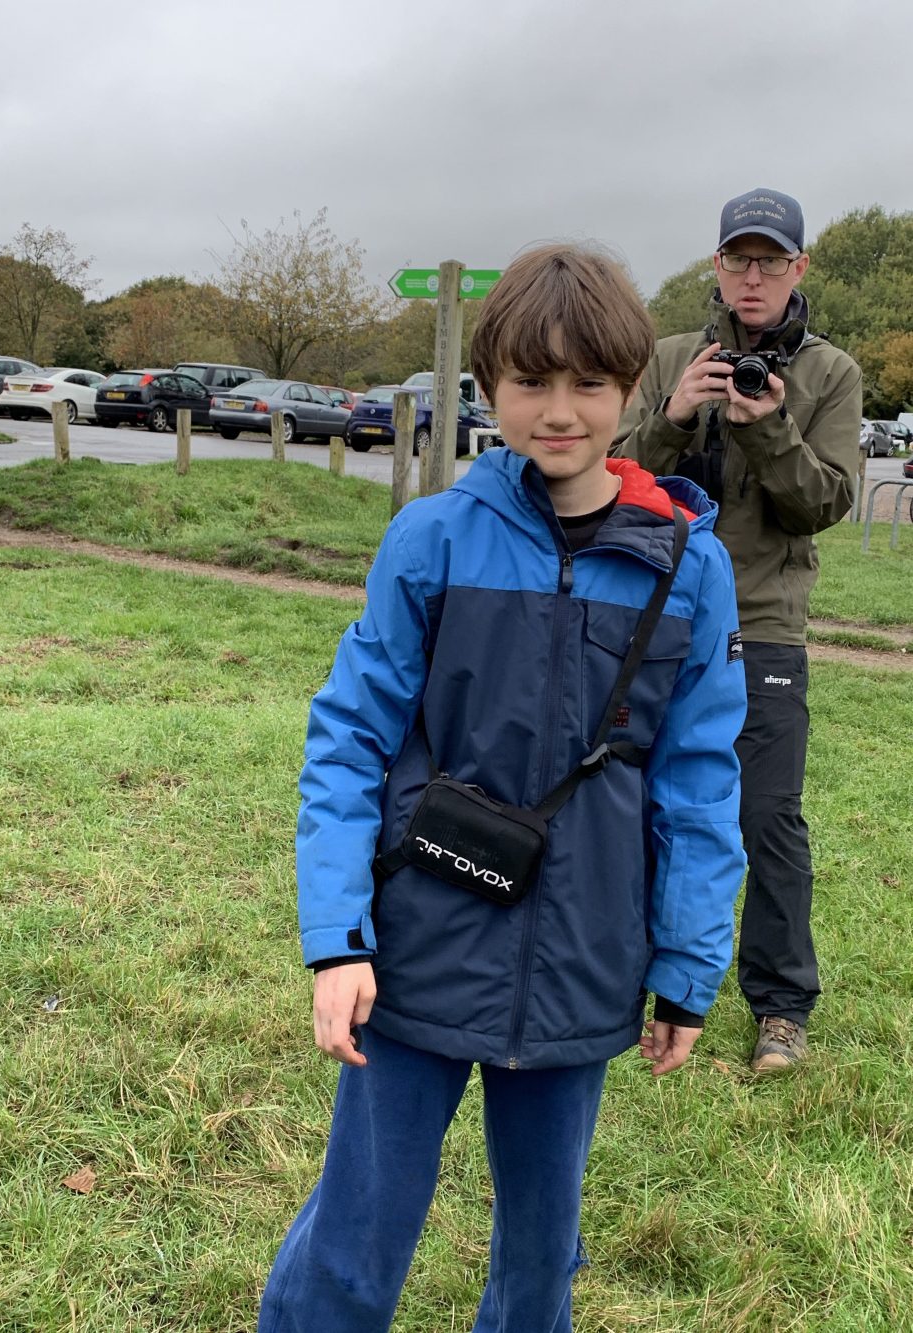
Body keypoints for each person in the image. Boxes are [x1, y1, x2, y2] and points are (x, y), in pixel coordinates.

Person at [257, 244, 747, 1332]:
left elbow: (701, 782)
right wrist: (336, 938)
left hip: (584, 962)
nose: (560, 409)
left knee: (538, 1265)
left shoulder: (689, 568)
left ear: (630, 388)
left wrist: (686, 962)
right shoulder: (431, 539)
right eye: (532, 380)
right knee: (352, 1243)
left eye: (588, 383)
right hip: (416, 952)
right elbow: (346, 738)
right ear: (489, 389)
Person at [613, 189, 862, 1073]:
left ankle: (780, 1008)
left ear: (799, 268)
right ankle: (635, 981)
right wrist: (676, 414)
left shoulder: (829, 374)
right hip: (657, 612)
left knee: (766, 818)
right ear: (716, 265)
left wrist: (770, 428)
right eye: (738, 259)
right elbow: (611, 478)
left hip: (763, 627)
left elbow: (825, 503)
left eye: (771, 260)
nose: (752, 277)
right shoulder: (673, 356)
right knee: (635, 802)